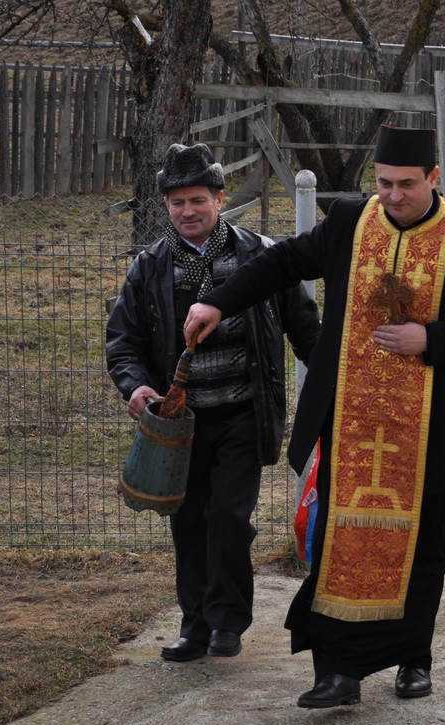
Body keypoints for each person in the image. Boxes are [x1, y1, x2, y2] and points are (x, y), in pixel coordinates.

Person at [183, 125, 445, 707]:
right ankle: (336, 670)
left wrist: (430, 338)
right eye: (384, 183)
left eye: (406, 185)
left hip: (431, 432)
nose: (392, 196)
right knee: (339, 541)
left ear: (433, 179)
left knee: (423, 548)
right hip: (352, 424)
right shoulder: (348, 221)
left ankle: (414, 659)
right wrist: (217, 300)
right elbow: (283, 261)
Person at [106, 143, 321, 663]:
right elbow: (123, 341)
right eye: (177, 202)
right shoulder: (148, 269)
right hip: (181, 426)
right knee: (191, 520)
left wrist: (340, 375)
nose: (187, 211)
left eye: (197, 199)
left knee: (227, 514)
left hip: (244, 413)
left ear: (220, 199)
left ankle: (227, 621)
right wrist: (134, 386)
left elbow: (305, 329)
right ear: (166, 206)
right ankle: (195, 625)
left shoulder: (261, 256)